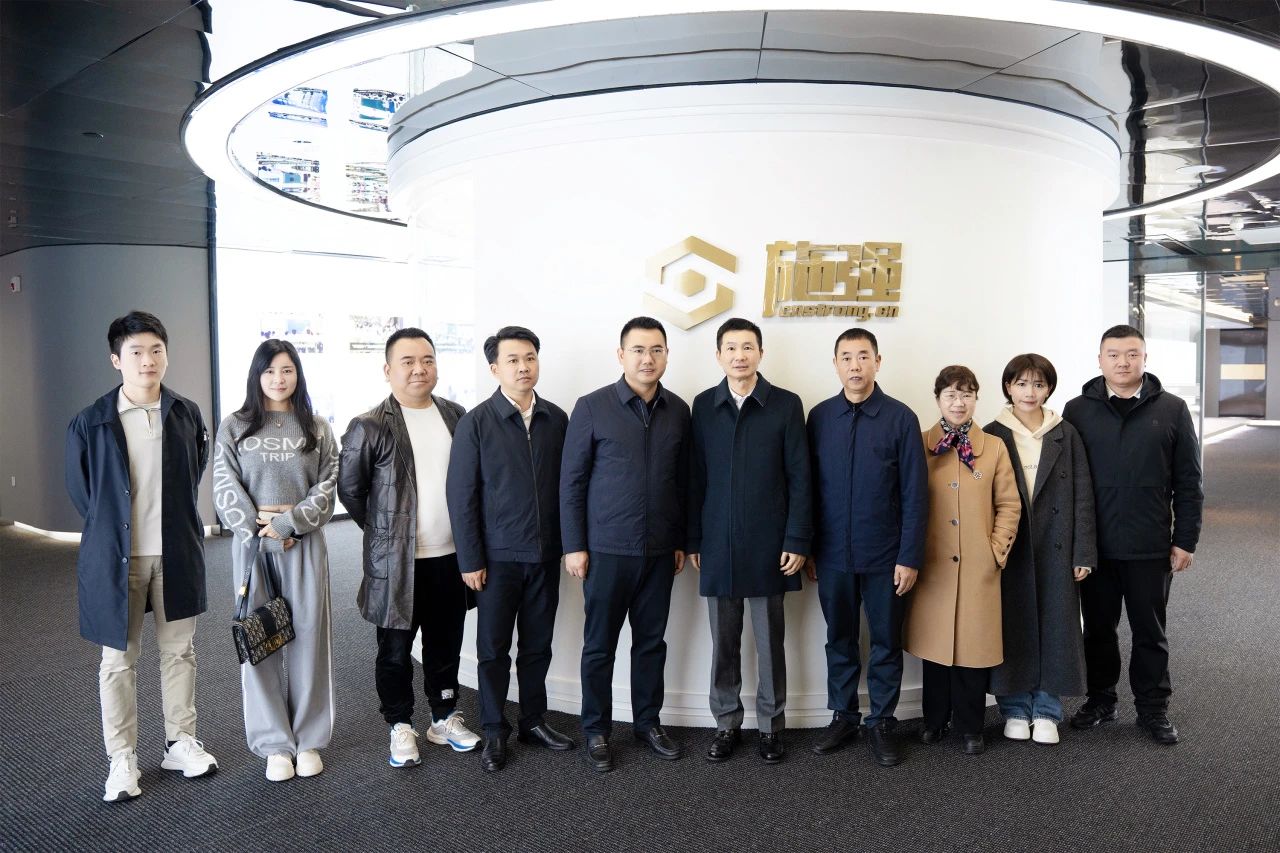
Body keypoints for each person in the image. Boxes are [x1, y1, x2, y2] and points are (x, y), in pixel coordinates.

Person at [65, 310, 218, 802]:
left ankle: (180, 742)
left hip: (175, 553)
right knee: (118, 660)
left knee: (180, 652)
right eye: (136, 352)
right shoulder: (91, 421)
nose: (148, 360)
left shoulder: (186, 413)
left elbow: (193, 473)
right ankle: (122, 757)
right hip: (118, 558)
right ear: (116, 360)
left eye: (156, 350)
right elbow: (84, 495)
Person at [338, 328, 480, 769]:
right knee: (395, 650)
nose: (420, 369)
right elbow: (351, 490)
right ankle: (399, 724)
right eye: (408, 361)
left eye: (428, 360)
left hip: (451, 557)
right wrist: (387, 534)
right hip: (398, 564)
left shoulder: (456, 415)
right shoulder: (369, 425)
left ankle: (443, 717)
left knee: (445, 643)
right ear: (388, 370)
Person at [560, 316, 691, 773]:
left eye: (656, 350)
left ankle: (647, 723)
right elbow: (571, 482)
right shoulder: (592, 407)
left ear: (666, 355)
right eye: (638, 350)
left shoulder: (678, 410)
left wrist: (679, 539)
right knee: (600, 645)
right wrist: (574, 545)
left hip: (659, 552)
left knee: (651, 644)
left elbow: (683, 481)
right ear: (621, 355)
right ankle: (596, 729)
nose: (647, 359)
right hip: (606, 551)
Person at [1063, 325, 1203, 745]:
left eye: (1131, 354)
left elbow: (1189, 481)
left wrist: (1186, 539)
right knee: (1098, 631)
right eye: (1113, 354)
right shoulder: (1077, 410)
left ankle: (1153, 709)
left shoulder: (1173, 409)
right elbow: (1067, 483)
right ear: (1099, 360)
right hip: (1096, 546)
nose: (1122, 362)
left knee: (1150, 632)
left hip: (1150, 544)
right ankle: (1101, 700)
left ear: (1145, 358)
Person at [446, 325, 575, 772]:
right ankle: (494, 729)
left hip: (545, 555)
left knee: (538, 646)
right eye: (513, 360)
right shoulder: (476, 422)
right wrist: (470, 559)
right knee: (493, 649)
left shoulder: (556, 418)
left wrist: (569, 544)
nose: (523, 367)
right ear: (494, 368)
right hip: (497, 559)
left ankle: (533, 721)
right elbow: (461, 495)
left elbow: (570, 487)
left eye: (530, 358)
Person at [212, 339, 339, 781]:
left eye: (287, 370)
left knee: (309, 640)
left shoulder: (317, 428)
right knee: (259, 639)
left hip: (303, 543)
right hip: (252, 547)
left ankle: (308, 739)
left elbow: (328, 486)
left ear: (298, 374)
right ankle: (274, 745)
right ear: (257, 375)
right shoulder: (235, 426)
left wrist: (288, 525)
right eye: (269, 371)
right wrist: (259, 532)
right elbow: (224, 485)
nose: (279, 379)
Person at [688, 317, 812, 764]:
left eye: (747, 347)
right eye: (731, 348)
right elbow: (695, 477)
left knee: (769, 642)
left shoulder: (785, 404)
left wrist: (797, 538)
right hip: (718, 543)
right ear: (718, 355)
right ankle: (726, 723)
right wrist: (694, 538)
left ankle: (771, 727)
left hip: (770, 545)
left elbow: (800, 477)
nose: (739, 356)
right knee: (723, 643)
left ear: (760, 352)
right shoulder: (704, 405)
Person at [805, 328, 927, 767]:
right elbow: (808, 489)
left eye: (863, 356)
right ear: (835, 364)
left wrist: (909, 556)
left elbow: (915, 493)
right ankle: (843, 715)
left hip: (886, 556)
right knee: (838, 638)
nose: (855, 365)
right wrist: (810, 548)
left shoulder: (900, 418)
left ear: (878, 361)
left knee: (885, 641)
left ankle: (882, 721)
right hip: (832, 555)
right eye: (846, 357)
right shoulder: (820, 417)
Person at [904, 365, 1020, 755]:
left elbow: (1009, 505)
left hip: (977, 566)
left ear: (976, 399)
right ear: (938, 399)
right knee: (935, 648)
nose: (959, 402)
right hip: (932, 564)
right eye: (951, 394)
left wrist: (995, 550)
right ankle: (934, 721)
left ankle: (971, 727)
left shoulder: (995, 447)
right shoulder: (920, 444)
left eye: (966, 394)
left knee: (973, 650)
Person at [985, 354, 1096, 746]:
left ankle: (1047, 710)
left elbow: (1083, 496)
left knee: (1057, 625)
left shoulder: (1065, 433)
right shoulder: (992, 433)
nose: (1029, 392)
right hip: (1010, 547)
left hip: (1057, 545)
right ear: (1008, 387)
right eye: (1021, 383)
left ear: (1048, 388)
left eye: (1038, 384)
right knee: (1011, 624)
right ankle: (1015, 708)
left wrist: (1083, 552)